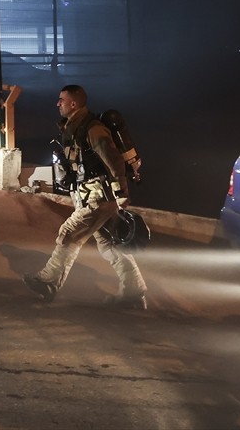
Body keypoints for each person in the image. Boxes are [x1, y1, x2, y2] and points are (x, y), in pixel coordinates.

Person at [23, 84, 148, 308]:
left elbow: (114, 161)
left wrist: (122, 193)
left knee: (69, 233)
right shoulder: (75, 128)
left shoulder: (93, 129)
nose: (57, 104)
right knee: (109, 244)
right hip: (95, 197)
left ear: (73, 104)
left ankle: (48, 282)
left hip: (98, 198)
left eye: (61, 100)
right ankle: (133, 291)